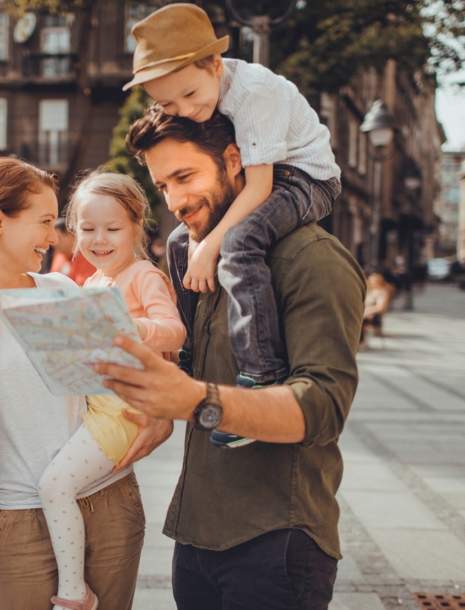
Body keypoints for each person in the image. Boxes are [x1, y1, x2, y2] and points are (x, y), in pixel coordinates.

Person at [93, 109, 366, 609]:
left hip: (278, 542)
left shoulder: (311, 258)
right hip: (194, 535)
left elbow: (324, 408)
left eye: (185, 177)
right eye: (163, 184)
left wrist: (199, 401)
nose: (174, 200)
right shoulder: (185, 253)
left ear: (235, 161)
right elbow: (194, 368)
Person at [0, 158, 172, 610]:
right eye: (45, 222)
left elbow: (123, 374)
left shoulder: (62, 289)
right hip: (21, 517)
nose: (56, 237)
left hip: (110, 501)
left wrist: (160, 416)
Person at [124, 5, 342, 449]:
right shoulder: (192, 95)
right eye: (168, 104)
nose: (187, 112)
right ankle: (189, 360)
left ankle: (261, 375)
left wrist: (211, 249)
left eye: (188, 95)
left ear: (216, 64)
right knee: (179, 241)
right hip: (271, 176)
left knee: (240, 243)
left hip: (305, 177)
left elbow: (260, 184)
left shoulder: (253, 92)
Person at [38, 170, 186, 610]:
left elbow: (175, 332)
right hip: (96, 400)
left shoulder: (143, 275)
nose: (99, 239)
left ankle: (74, 591)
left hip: (123, 410)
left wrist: (132, 325)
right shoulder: (92, 284)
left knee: (54, 485)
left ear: (136, 227)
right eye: (87, 229)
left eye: (112, 228)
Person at [50, 217, 96, 286]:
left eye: (58, 238)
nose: (53, 243)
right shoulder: (58, 257)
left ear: (70, 236)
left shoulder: (86, 257)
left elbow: (82, 286)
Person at [360, 272, 392, 349]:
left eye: (372, 283)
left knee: (360, 320)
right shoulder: (372, 292)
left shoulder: (382, 293)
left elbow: (380, 308)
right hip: (366, 313)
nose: (370, 284)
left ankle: (361, 341)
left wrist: (367, 312)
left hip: (374, 315)